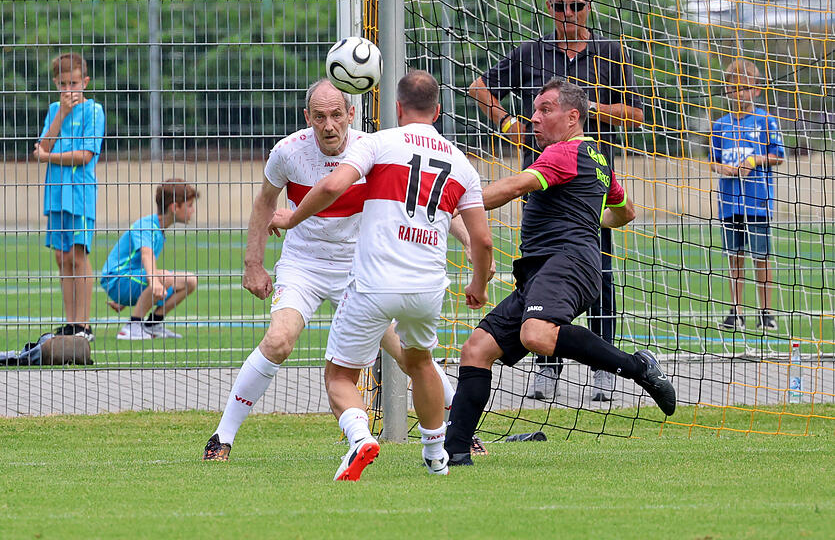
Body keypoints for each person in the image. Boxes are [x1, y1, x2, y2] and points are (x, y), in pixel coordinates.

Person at [202, 78, 477, 463]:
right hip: (304, 264)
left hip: (359, 268)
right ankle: (222, 436)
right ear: (307, 117)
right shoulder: (287, 152)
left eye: (336, 115)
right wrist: (253, 264)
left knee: (407, 352)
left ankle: (463, 429)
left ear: (351, 114)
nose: (329, 125)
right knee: (280, 340)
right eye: (319, 117)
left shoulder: (374, 150)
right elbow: (265, 202)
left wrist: (465, 237)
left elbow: (427, 200)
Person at [269, 71, 493, 480]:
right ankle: (435, 455)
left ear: (398, 108)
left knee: (339, 374)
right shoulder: (462, 164)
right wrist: (477, 284)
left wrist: (292, 216)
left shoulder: (379, 142)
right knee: (421, 362)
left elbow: (333, 185)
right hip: (427, 286)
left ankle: (359, 438)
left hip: (373, 283)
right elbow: (483, 241)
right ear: (438, 111)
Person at [445, 79, 675, 466]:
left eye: (545, 110)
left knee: (535, 334)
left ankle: (638, 367)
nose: (533, 118)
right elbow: (626, 212)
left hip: (569, 262)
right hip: (547, 269)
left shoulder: (565, 152)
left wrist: (448, 201)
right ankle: (454, 452)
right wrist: (589, 217)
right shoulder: (595, 157)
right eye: (534, 110)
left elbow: (513, 186)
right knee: (477, 349)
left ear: (573, 117)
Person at [468, 0, 644, 402]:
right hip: (539, 181)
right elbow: (479, 87)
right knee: (541, 272)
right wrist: (507, 122)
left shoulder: (609, 53)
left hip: (589, 182)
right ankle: (547, 368)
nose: (568, 14)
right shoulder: (531, 52)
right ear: (549, 9)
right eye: (560, 6)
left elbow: (637, 115)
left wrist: (588, 107)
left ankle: (605, 369)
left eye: (576, 6)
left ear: (588, 8)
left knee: (600, 272)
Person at [34, 52, 106, 342]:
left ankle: (84, 325)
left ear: (85, 81)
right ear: (55, 83)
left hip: (80, 195)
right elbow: (42, 145)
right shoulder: (55, 109)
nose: (68, 90)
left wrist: (49, 156)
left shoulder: (94, 111)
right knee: (62, 257)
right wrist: (61, 115)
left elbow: (84, 155)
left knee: (78, 255)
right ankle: (70, 322)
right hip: (56, 194)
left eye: (73, 83)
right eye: (63, 84)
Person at [710, 58, 784, 331]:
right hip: (730, 201)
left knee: (761, 257)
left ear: (756, 90)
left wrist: (755, 160)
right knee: (735, 256)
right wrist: (724, 168)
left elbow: (778, 156)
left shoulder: (766, 120)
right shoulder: (720, 125)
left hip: (757, 201)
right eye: (733, 88)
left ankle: (766, 312)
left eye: (744, 88)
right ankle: (736, 312)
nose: (739, 94)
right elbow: (713, 160)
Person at [100, 179, 199, 340]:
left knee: (190, 281)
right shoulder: (147, 226)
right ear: (174, 207)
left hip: (128, 280)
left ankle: (153, 323)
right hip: (115, 280)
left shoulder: (159, 229)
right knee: (164, 277)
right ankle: (132, 327)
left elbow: (138, 265)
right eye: (189, 205)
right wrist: (155, 282)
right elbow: (147, 255)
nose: (193, 210)